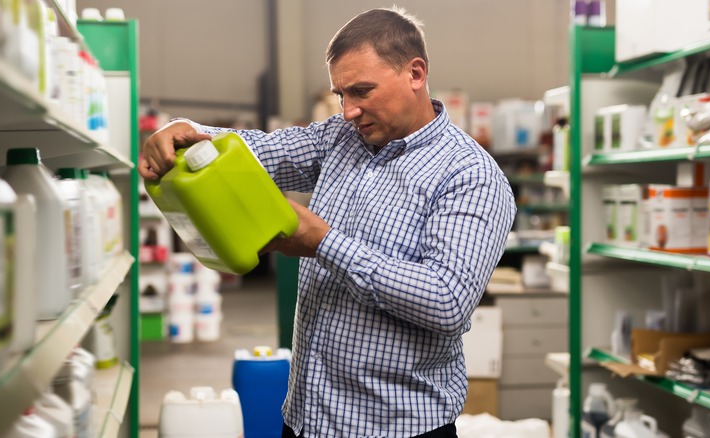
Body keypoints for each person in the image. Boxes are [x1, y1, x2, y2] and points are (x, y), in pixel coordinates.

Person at [140, 6, 516, 437]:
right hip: (306, 420)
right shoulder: (340, 139)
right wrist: (185, 130)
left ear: (415, 73)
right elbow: (261, 152)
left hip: (396, 429)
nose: (349, 111)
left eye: (362, 91)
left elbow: (446, 300)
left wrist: (323, 242)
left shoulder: (469, 174)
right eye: (341, 95)